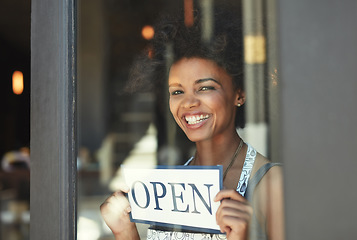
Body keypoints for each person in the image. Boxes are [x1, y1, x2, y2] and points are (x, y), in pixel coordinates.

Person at [100, 3, 284, 240]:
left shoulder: (270, 184)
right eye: (177, 92)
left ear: (240, 93)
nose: (188, 103)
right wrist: (125, 232)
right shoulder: (168, 188)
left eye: (205, 88)